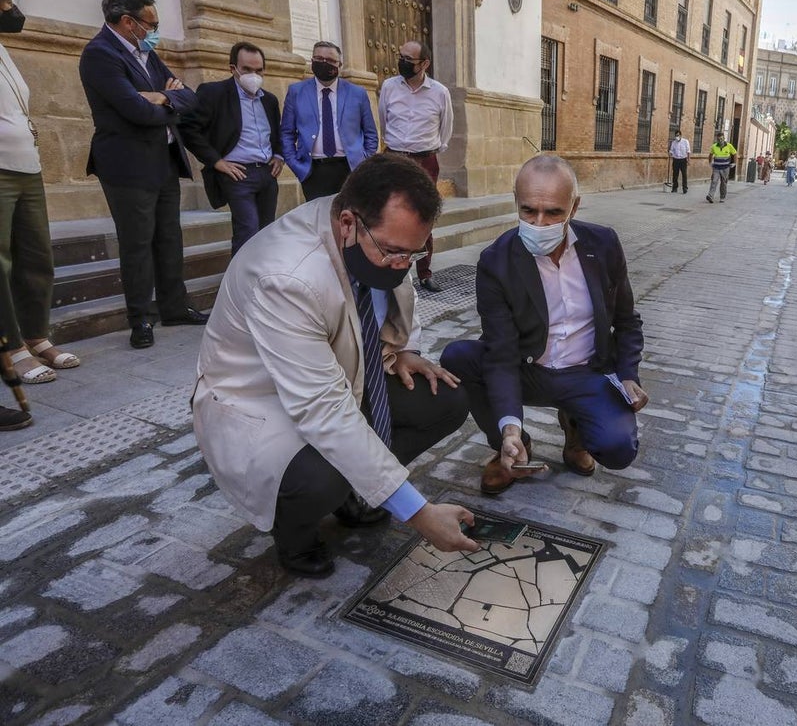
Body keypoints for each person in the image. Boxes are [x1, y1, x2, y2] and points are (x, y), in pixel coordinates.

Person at [192, 153, 476, 578]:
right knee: (322, 474)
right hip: (260, 401)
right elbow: (321, 409)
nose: (403, 265)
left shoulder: (376, 235)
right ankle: (295, 534)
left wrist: (409, 349)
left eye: (413, 254)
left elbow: (398, 288)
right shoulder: (286, 276)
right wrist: (419, 513)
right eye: (395, 252)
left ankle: (357, 490)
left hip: (343, 374)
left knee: (445, 399)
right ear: (347, 223)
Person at [441, 155, 648, 496]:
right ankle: (511, 447)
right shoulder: (496, 261)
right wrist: (508, 428)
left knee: (618, 449)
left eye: (553, 212)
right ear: (516, 203)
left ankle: (576, 432)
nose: (539, 223)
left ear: (574, 207)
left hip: (587, 372)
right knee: (458, 356)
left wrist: (628, 375)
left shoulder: (604, 244)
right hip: (529, 369)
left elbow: (627, 320)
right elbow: (501, 353)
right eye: (528, 211)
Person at [79, 0, 208, 350]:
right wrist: (170, 101)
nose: (154, 30)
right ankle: (140, 319)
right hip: (128, 167)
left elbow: (191, 98)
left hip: (164, 161)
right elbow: (136, 111)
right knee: (136, 244)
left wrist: (163, 96)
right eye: (150, 23)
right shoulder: (100, 55)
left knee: (169, 238)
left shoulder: (145, 54)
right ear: (126, 22)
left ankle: (174, 306)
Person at [0, 0, 79, 384]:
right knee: (0, 263)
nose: (11, 9)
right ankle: (10, 348)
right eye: (5, 0)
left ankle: (35, 336)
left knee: (36, 258)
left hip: (25, 165)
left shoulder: (3, 50)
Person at [182, 42, 283, 256]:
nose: (253, 75)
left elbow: (277, 132)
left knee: (266, 232)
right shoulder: (214, 93)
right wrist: (216, 161)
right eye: (247, 69)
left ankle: (262, 279)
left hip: (266, 174)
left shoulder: (270, 100)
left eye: (258, 70)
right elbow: (188, 129)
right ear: (233, 68)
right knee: (247, 230)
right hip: (237, 174)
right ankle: (239, 284)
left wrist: (279, 155)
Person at [378, 40, 453, 293]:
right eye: (401, 56)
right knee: (389, 212)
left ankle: (424, 272)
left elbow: (446, 131)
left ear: (425, 64)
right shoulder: (389, 87)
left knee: (423, 215)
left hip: (425, 160)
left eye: (409, 60)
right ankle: (388, 269)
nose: (403, 63)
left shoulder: (440, 92)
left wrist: (426, 152)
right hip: (394, 158)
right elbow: (383, 122)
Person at [281, 41, 378, 202]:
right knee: (319, 221)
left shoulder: (357, 93)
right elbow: (286, 132)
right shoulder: (296, 92)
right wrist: (295, 164)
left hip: (350, 168)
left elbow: (370, 133)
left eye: (330, 60)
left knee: (350, 217)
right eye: (319, 58)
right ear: (312, 61)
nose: (324, 63)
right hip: (313, 171)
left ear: (340, 64)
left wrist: (364, 162)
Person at [705, 133, 737, 204]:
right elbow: (710, 154)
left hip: (725, 168)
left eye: (721, 139)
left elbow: (734, 153)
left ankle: (722, 197)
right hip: (716, 167)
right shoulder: (714, 146)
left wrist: (734, 163)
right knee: (714, 181)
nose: (720, 140)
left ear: (724, 138)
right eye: (719, 139)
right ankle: (710, 196)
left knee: (723, 183)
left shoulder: (729, 146)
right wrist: (710, 162)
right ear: (717, 140)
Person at [668, 129, 690, 194]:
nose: (677, 137)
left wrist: (688, 160)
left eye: (678, 135)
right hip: (676, 160)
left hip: (683, 160)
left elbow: (688, 151)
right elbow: (671, 150)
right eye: (676, 136)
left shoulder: (685, 141)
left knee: (684, 175)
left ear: (680, 135)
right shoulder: (673, 142)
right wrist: (670, 153)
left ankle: (685, 188)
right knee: (675, 175)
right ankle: (675, 188)